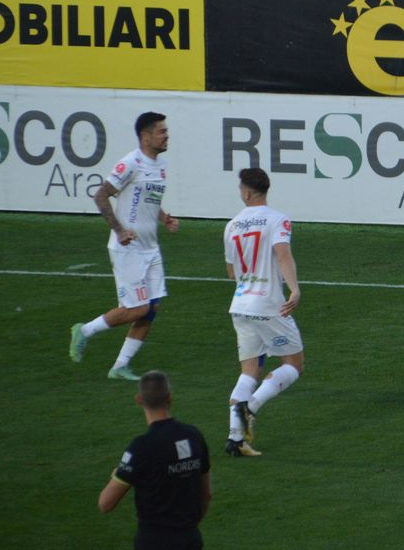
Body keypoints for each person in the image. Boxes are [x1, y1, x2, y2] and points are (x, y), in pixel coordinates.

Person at [71, 112, 180, 380]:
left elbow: (149, 199)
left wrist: (164, 218)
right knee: (138, 309)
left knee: (151, 309)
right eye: (162, 132)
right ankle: (84, 330)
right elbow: (101, 195)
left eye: (166, 131)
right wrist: (119, 231)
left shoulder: (160, 165)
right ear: (146, 136)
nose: (167, 135)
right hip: (128, 249)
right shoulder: (130, 163)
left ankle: (120, 366)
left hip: (151, 248)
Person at [221, 167, 303, 458]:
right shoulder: (277, 219)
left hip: (240, 305)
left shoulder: (232, 225)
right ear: (265, 190)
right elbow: (283, 253)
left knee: (249, 371)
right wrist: (294, 288)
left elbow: (231, 272)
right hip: (268, 305)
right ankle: (250, 407)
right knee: (293, 364)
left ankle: (235, 439)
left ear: (245, 192)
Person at [98, 370, 212, 550]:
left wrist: (117, 475)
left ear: (139, 400)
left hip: (153, 541)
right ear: (170, 398)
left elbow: (105, 503)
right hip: (191, 538)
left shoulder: (141, 447)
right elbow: (206, 494)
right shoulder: (194, 435)